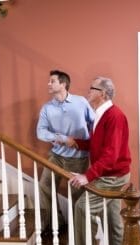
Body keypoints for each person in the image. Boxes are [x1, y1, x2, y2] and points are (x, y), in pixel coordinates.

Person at [68, 76, 131, 245]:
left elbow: (110, 155)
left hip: (112, 177)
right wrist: (77, 143)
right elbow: (99, 145)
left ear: (102, 94)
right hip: (111, 174)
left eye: (91, 89)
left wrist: (88, 176)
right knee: (113, 221)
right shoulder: (101, 114)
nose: (88, 92)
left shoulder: (114, 116)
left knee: (81, 208)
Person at [36, 69, 95, 230]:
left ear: (63, 84)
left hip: (78, 158)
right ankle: (54, 223)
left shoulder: (81, 102)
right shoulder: (47, 108)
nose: (48, 84)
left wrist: (86, 143)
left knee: (77, 195)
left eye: (52, 81)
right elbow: (40, 132)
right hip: (56, 156)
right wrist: (62, 138)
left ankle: (80, 231)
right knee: (45, 186)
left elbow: (94, 123)